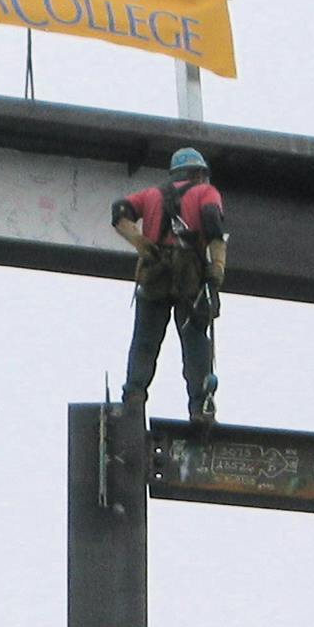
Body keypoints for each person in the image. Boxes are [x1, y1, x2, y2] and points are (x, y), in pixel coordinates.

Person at [112, 147, 229, 432]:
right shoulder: (206, 192)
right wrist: (218, 268)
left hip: (155, 273)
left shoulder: (150, 195)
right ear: (200, 172)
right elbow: (213, 225)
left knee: (145, 340)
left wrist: (140, 241)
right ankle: (200, 407)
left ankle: (134, 398)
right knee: (195, 343)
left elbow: (119, 211)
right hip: (191, 276)